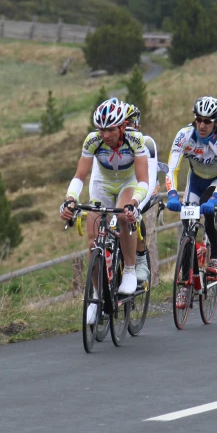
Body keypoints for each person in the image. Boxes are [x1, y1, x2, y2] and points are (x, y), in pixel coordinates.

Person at [59, 97, 150, 324]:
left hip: (128, 183)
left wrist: (134, 204)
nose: (105, 135)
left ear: (122, 127)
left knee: (122, 215)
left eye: (110, 130)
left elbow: (143, 180)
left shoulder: (136, 140)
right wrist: (70, 199)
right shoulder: (92, 141)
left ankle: (129, 269)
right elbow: (80, 175)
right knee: (93, 242)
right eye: (101, 130)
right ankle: (97, 297)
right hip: (102, 183)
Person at [166, 96, 217, 284]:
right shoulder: (184, 135)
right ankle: (186, 280)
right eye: (198, 119)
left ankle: (216, 257)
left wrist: (215, 199)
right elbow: (172, 168)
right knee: (188, 224)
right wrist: (172, 194)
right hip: (196, 180)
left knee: (209, 209)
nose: (202, 125)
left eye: (207, 121)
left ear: (216, 122)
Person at [121, 103, 158, 283]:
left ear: (138, 126)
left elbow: (149, 180)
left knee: (136, 216)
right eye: (124, 124)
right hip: (118, 189)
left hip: (139, 188)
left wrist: (137, 206)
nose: (127, 128)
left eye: (131, 124)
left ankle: (141, 258)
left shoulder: (146, 143)